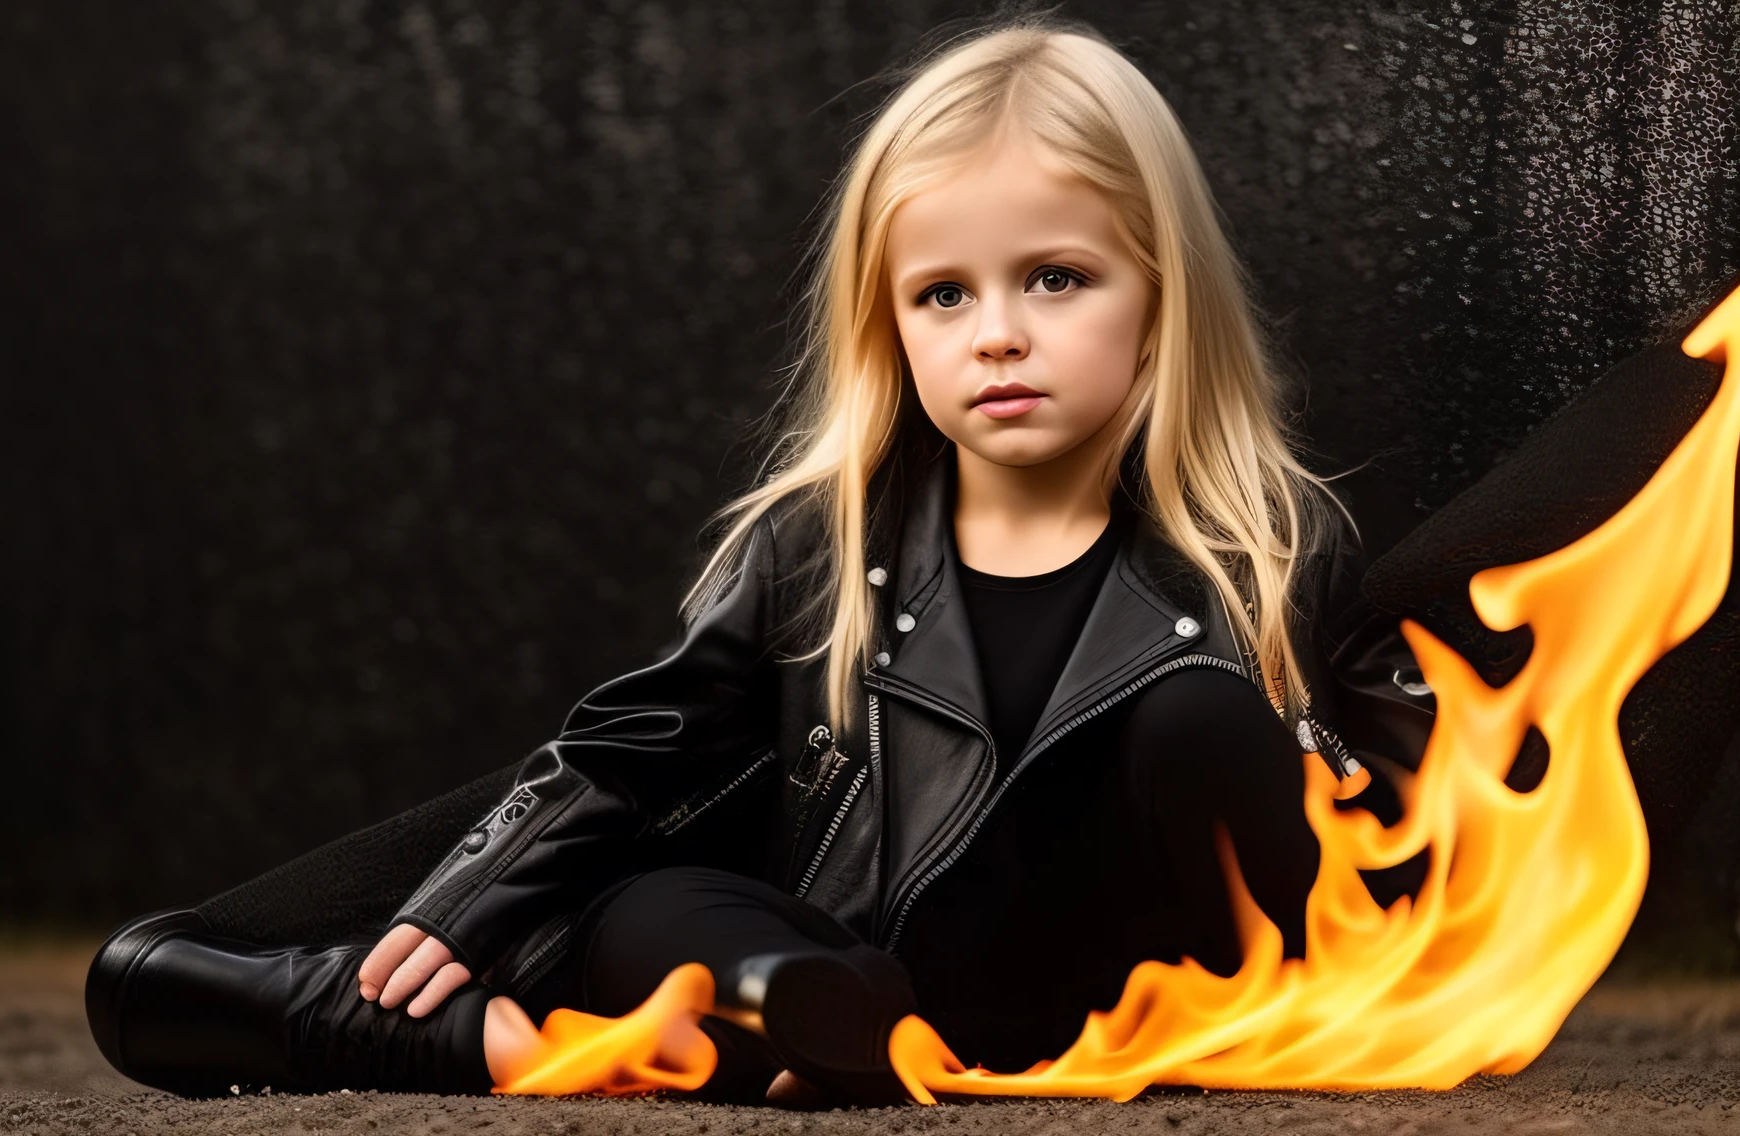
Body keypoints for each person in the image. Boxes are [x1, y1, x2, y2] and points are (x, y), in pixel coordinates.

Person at [83, 17, 1438, 1106]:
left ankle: (520, 1052)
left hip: (1152, 991)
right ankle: (771, 1031)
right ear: (890, 325)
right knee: (651, 903)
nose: (998, 334)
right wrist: (472, 902)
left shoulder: (1275, 544)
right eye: (944, 294)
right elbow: (638, 748)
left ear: (1160, 303)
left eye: (1059, 278)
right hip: (876, 986)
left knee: (1202, 710)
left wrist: (1322, 776)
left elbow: (1422, 810)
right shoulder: (822, 545)